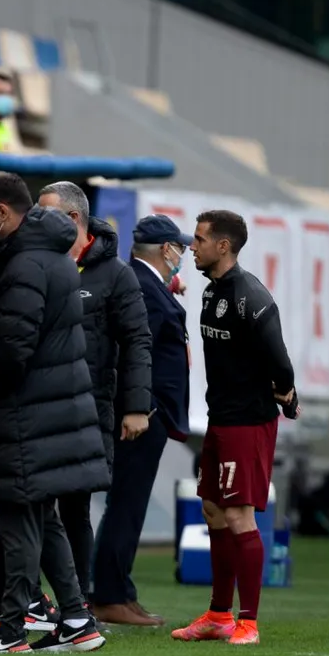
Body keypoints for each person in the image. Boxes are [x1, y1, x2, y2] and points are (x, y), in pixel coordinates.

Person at [0, 171, 107, 655]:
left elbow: (12, 349)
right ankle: (78, 619)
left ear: (3, 212)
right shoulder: (51, 257)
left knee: (20, 518)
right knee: (45, 514)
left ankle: (11, 629)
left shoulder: (24, 266)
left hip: (24, 411)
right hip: (47, 407)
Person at [173, 209, 298, 647]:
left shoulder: (251, 296)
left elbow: (280, 361)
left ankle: (249, 622)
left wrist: (285, 393)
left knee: (238, 515)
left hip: (248, 421)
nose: (193, 246)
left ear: (223, 246)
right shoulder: (211, 293)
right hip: (220, 419)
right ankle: (218, 614)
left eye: (200, 239)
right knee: (211, 507)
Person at [38, 182, 151, 609]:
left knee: (75, 509)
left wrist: (136, 406)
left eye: (44, 213)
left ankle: (78, 603)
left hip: (88, 408)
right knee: (31, 508)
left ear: (71, 220)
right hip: (39, 406)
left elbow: (138, 340)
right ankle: (27, 601)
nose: (35, 222)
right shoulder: (38, 263)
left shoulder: (115, 274)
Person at [92, 215, 192, 626]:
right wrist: (144, 406)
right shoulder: (142, 287)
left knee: (128, 505)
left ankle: (121, 590)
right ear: (165, 249)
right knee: (126, 505)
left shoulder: (147, 283)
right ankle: (109, 594)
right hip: (142, 415)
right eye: (180, 247)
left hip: (147, 412)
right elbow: (134, 351)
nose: (184, 254)